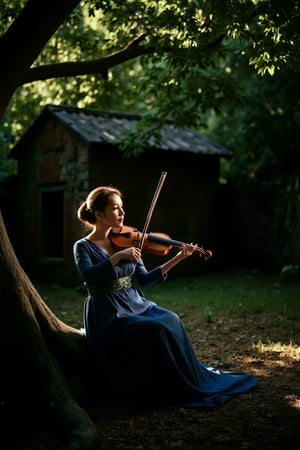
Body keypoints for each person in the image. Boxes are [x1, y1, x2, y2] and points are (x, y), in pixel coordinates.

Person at [73, 185, 257, 409]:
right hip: (108, 312)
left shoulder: (128, 240)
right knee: (154, 328)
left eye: (122, 208)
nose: (122, 213)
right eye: (115, 208)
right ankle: (160, 387)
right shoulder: (82, 247)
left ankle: (184, 380)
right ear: (99, 214)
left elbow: (144, 279)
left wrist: (178, 258)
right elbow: (89, 276)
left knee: (171, 318)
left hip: (134, 302)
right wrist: (117, 257)